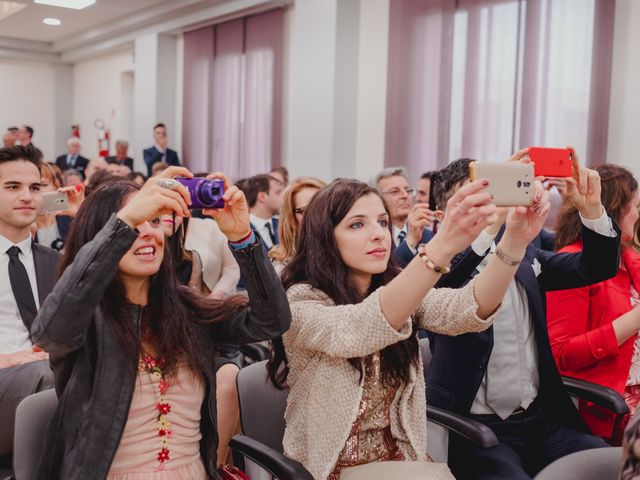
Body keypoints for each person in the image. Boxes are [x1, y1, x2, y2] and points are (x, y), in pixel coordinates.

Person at [266, 175, 552, 480]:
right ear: (323, 237)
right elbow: (361, 328)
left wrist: (514, 242)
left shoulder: (397, 290)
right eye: (357, 224)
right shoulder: (299, 301)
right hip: (327, 469)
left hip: (401, 461)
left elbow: (467, 309)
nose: (378, 234)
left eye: (381, 222)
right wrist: (443, 245)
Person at [31, 167, 291, 479]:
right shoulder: (84, 317)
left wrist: (242, 238)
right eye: (134, 221)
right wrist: (125, 222)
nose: (148, 232)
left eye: (155, 221)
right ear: (104, 234)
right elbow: (50, 334)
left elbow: (272, 321)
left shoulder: (185, 311)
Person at [427, 150, 620, 480]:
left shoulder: (523, 251)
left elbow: (595, 267)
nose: (486, 207)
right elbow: (451, 278)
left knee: (616, 466)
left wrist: (591, 210)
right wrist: (492, 227)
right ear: (445, 213)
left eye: (489, 196)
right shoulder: (430, 267)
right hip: (476, 430)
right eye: (473, 199)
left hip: (540, 420)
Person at [546, 164, 640, 442]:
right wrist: (632, 321)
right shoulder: (573, 263)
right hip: (613, 400)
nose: (637, 214)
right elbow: (561, 353)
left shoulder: (629, 260)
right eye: (634, 205)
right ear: (615, 209)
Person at [160, 212, 242, 465]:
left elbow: (271, 317)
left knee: (228, 376)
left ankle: (215, 466)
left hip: (195, 335)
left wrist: (243, 238)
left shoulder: (189, 257)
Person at [0, 146, 59, 459]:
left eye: (35, 188)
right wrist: (7, 360)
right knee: (46, 373)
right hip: (14, 373)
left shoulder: (57, 263)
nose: (26, 196)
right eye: (12, 187)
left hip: (47, 377)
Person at [372, 167, 435, 267]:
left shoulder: (428, 235)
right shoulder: (375, 237)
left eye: (408, 190)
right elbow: (386, 273)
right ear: (378, 199)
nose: (405, 195)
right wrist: (409, 242)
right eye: (395, 191)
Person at [269, 177, 326, 272]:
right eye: (306, 211)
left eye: (323, 207)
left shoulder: (347, 255)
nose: (319, 215)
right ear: (292, 220)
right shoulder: (283, 269)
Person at [34, 162, 78, 251]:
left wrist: (79, 215)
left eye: (44, 185)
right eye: (33, 187)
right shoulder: (20, 226)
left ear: (55, 186)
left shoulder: (69, 219)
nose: (39, 190)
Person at [244, 174, 284, 251]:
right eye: (278, 192)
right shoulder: (244, 230)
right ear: (262, 197)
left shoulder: (282, 224)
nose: (283, 197)